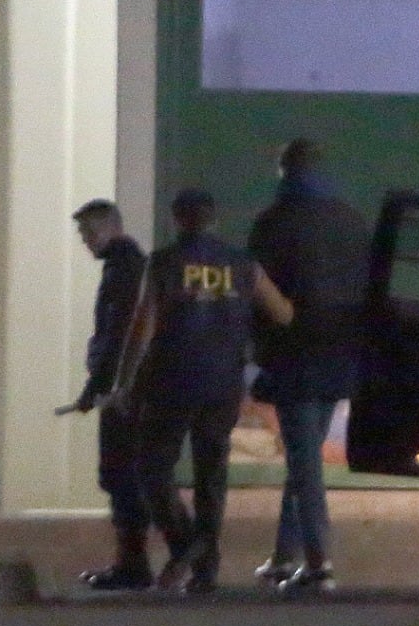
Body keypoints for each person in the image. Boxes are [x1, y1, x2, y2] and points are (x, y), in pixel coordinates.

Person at [114, 188, 293, 593]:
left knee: (153, 470)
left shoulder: (163, 263)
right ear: (214, 221)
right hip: (223, 383)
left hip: (170, 383)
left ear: (177, 220)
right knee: (211, 473)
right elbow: (282, 312)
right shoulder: (243, 264)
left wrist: (124, 382)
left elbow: (142, 328)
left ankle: (188, 544)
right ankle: (205, 566)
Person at [248, 138, 372, 593]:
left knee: (304, 463)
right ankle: (285, 556)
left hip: (293, 355)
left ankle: (318, 562)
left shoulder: (273, 223)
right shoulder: (351, 222)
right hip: (341, 354)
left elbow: (258, 292)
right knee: (303, 458)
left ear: (285, 170)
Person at [70, 199, 150, 590]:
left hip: (120, 393)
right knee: (126, 476)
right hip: (127, 389)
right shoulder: (130, 266)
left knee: (121, 475)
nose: (84, 241)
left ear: (106, 229)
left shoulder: (122, 271)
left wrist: (96, 387)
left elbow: (116, 334)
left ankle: (132, 566)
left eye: (87, 232)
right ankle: (134, 563)